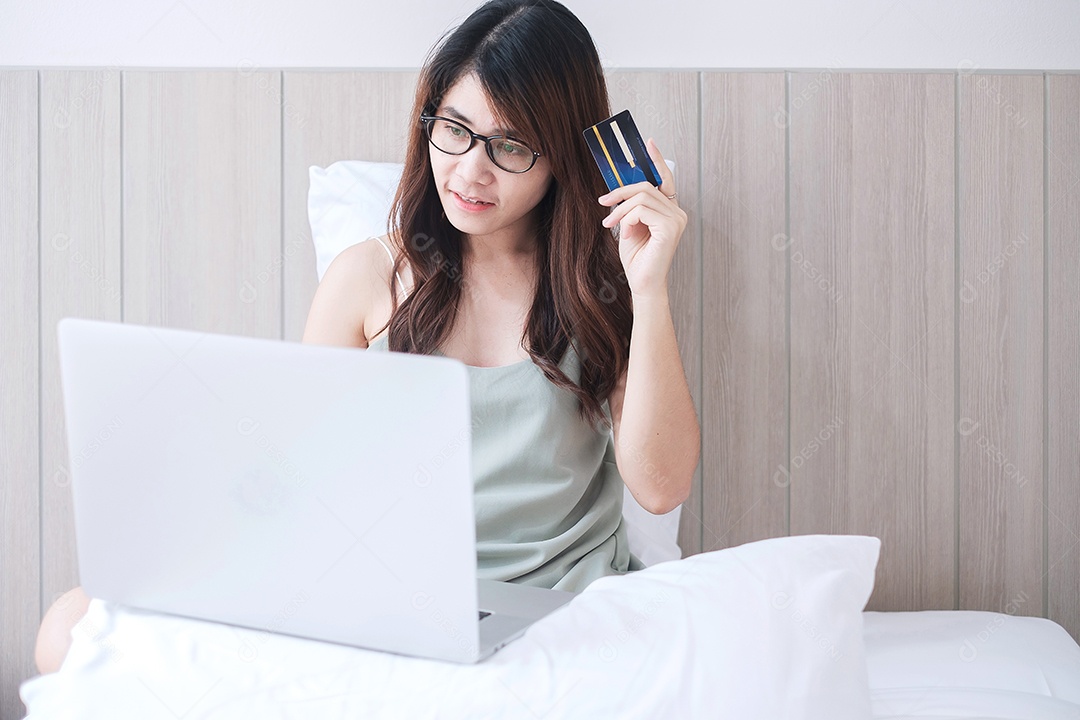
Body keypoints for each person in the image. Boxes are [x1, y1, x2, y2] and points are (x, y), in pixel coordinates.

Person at [33, 0, 699, 676]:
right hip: (388, 607)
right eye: (456, 131)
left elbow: (660, 487)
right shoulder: (366, 276)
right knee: (72, 623)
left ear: (561, 156)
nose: (470, 171)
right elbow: (299, 483)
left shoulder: (603, 285)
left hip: (558, 612)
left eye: (512, 145)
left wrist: (648, 286)